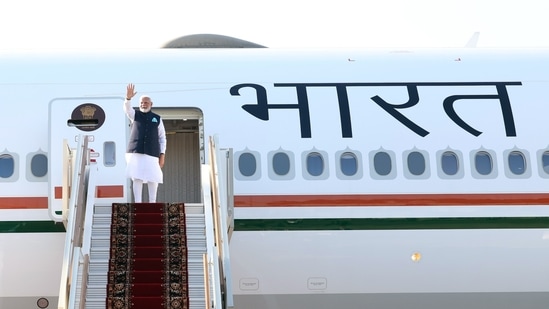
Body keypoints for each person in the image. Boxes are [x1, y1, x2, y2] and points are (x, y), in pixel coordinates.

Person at [123, 83, 167, 203]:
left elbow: (162, 138)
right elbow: (127, 109)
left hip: (152, 152)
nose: (143, 104)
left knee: (153, 176)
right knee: (137, 176)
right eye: (141, 102)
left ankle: (152, 202)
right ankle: (138, 203)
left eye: (146, 102)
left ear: (151, 104)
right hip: (135, 151)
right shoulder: (135, 115)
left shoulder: (157, 118)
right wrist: (128, 99)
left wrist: (162, 154)